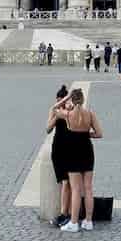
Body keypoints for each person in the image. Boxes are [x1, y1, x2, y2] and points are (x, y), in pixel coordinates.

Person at [59, 88, 102, 233]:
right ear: (83, 100)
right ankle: (88, 221)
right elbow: (99, 133)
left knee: (76, 189)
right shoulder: (90, 114)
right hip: (87, 150)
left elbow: (54, 109)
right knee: (88, 187)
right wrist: (86, 135)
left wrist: (66, 99)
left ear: (72, 99)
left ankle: (74, 222)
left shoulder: (68, 114)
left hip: (73, 151)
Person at [47, 84, 74, 226]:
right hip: (58, 149)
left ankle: (66, 213)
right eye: (58, 101)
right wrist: (57, 116)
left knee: (67, 182)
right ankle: (66, 213)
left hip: (70, 148)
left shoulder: (71, 110)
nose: (59, 104)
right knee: (64, 182)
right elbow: (48, 129)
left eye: (61, 101)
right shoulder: (55, 111)